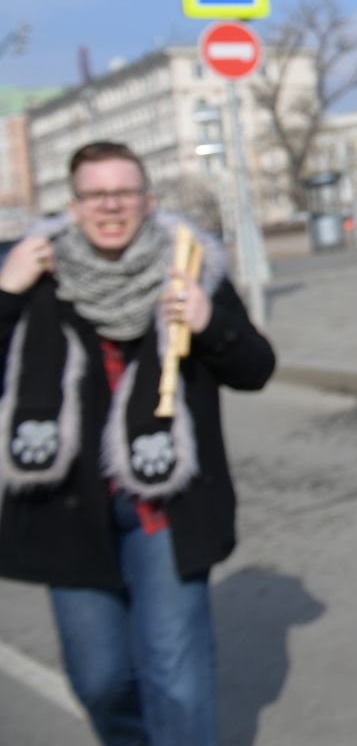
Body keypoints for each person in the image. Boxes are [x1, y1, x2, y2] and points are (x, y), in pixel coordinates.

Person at [0, 141, 274, 746]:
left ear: (147, 200)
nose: (111, 207)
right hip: (66, 508)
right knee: (100, 681)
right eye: (96, 195)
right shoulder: (36, 274)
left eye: (123, 193)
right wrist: (7, 292)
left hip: (166, 509)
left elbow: (257, 369)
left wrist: (212, 323)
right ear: (72, 206)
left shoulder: (189, 267)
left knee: (176, 680)